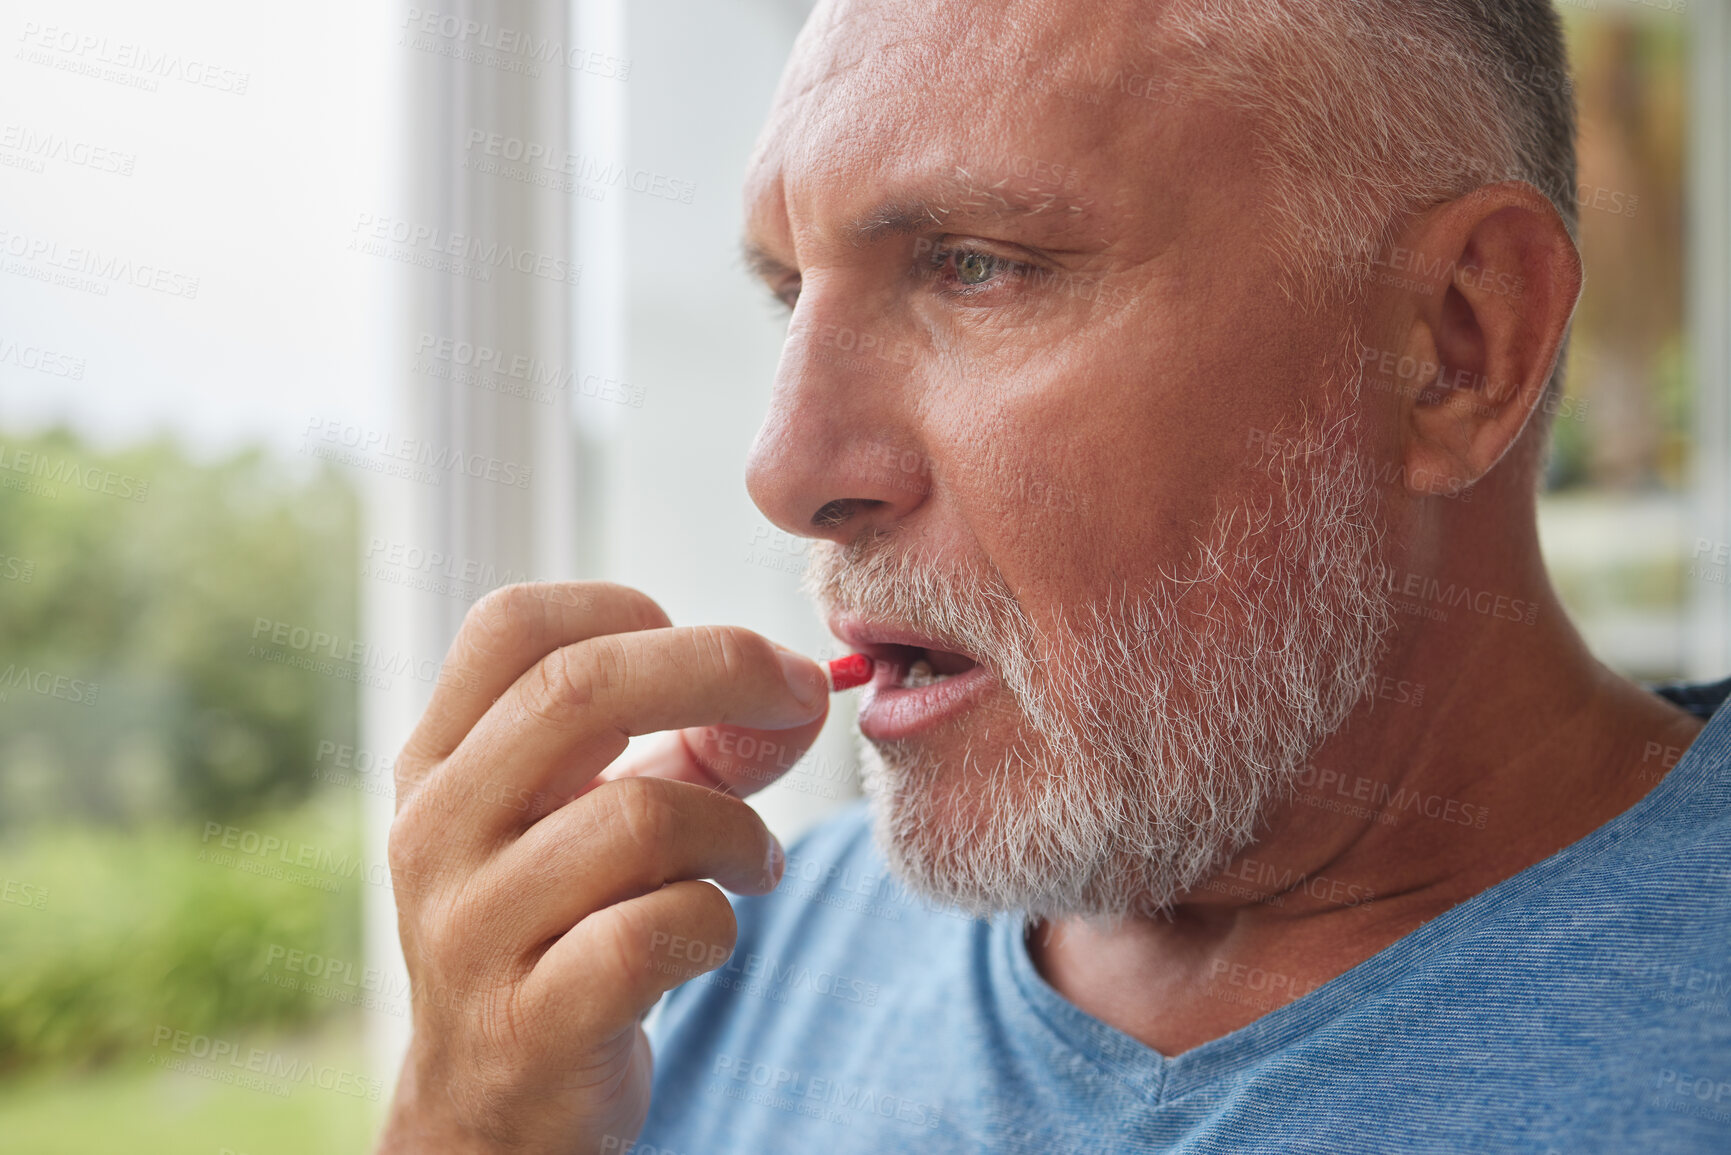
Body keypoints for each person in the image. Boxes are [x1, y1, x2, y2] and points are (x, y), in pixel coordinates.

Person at [374, 1, 1731, 1151]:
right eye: (790, 293)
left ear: (1455, 346)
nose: (788, 467)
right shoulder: (687, 980)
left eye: (975, 269)